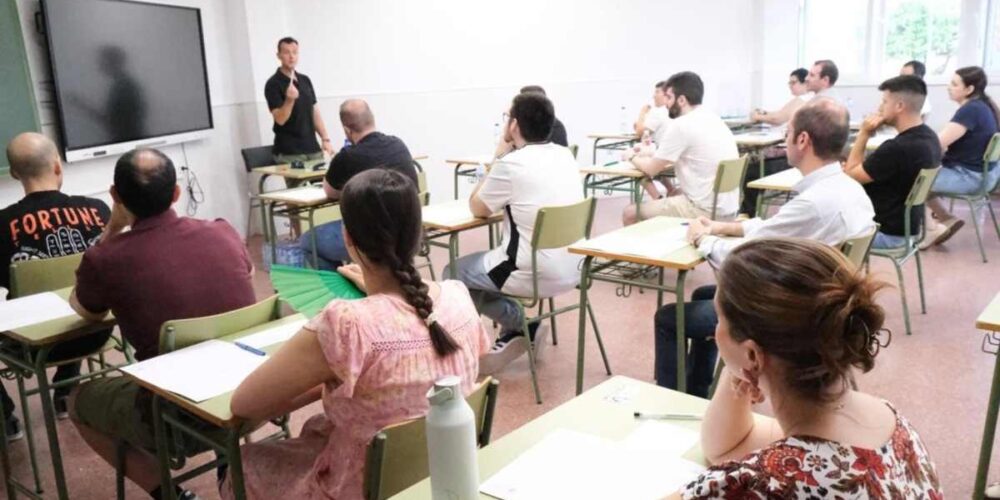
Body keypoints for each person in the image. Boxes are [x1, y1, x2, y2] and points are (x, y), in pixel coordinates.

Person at [219, 169, 489, 499]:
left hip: (358, 486)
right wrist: (380, 293)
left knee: (242, 463)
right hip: (437, 474)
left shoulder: (347, 323)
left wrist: (325, 377)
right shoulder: (457, 296)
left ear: (348, 237)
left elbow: (245, 403)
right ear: (418, 233)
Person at [664, 238, 941, 499]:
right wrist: (744, 370)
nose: (715, 331)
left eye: (719, 319)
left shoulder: (764, 482)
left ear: (752, 353)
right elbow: (724, 448)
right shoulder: (891, 422)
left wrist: (748, 366)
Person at [67, 148, 256, 500]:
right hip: (256, 395)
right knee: (214, 341)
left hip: (174, 417)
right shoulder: (222, 231)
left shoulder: (104, 258)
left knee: (77, 401)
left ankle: (170, 495)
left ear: (115, 197)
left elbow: (85, 310)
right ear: (176, 193)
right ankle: (227, 463)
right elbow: (247, 274)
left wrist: (111, 230)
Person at [654, 98, 875, 397]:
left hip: (793, 312)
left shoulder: (814, 203)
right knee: (704, 294)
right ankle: (698, 390)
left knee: (670, 318)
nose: (784, 142)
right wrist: (723, 227)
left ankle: (674, 402)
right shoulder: (848, 189)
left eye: (787, 134)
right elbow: (777, 230)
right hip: (819, 300)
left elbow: (742, 258)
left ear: (803, 140)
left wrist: (702, 238)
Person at [445, 92, 583, 373]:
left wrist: (498, 156)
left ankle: (519, 326)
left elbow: (478, 207)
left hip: (532, 271)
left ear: (514, 126)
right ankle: (520, 330)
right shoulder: (565, 155)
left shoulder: (511, 164)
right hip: (577, 266)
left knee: (453, 275)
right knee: (484, 265)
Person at [0, 132, 112, 439]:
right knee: (73, 299)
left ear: (13, 174)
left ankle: (5, 416)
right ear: (57, 166)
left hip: (29, 345)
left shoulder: (1, 224)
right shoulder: (100, 211)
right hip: (95, 330)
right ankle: (65, 391)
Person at [298, 99, 416, 269]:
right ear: (372, 119)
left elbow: (330, 192)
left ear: (346, 129)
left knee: (308, 241)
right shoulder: (398, 144)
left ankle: (342, 290)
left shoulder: (347, 157)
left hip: (371, 237)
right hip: (408, 232)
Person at [624, 71, 739, 225]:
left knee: (630, 213)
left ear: (682, 100)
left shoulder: (681, 125)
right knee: (673, 194)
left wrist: (631, 156)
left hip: (704, 210)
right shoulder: (713, 118)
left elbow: (651, 170)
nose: (666, 104)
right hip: (729, 208)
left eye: (669, 98)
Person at [844, 75, 942, 249]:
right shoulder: (930, 137)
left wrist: (864, 134)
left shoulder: (897, 148)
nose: (879, 108)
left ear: (899, 106)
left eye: (884, 102)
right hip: (907, 230)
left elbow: (850, 177)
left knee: (818, 234)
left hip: (883, 233)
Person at [922, 66, 1000, 248]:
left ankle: (931, 229)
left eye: (954, 84)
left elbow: (937, 144)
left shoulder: (970, 110)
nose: (949, 87)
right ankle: (947, 219)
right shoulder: (984, 106)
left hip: (969, 178)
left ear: (969, 89)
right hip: (985, 176)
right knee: (923, 175)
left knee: (912, 179)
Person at [265, 37, 334, 166]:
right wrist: (289, 100)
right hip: (290, 152)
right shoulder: (273, 83)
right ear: (278, 55)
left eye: (295, 52)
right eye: (286, 52)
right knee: (300, 186)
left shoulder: (305, 80)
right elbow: (280, 119)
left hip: (312, 148)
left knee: (319, 185)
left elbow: (314, 111)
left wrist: (325, 138)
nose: (291, 56)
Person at [634, 80, 672, 145]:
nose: (654, 96)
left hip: (659, 151)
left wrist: (642, 112)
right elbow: (638, 127)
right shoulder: (672, 111)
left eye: (657, 92)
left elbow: (640, 132)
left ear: (666, 95)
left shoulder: (659, 112)